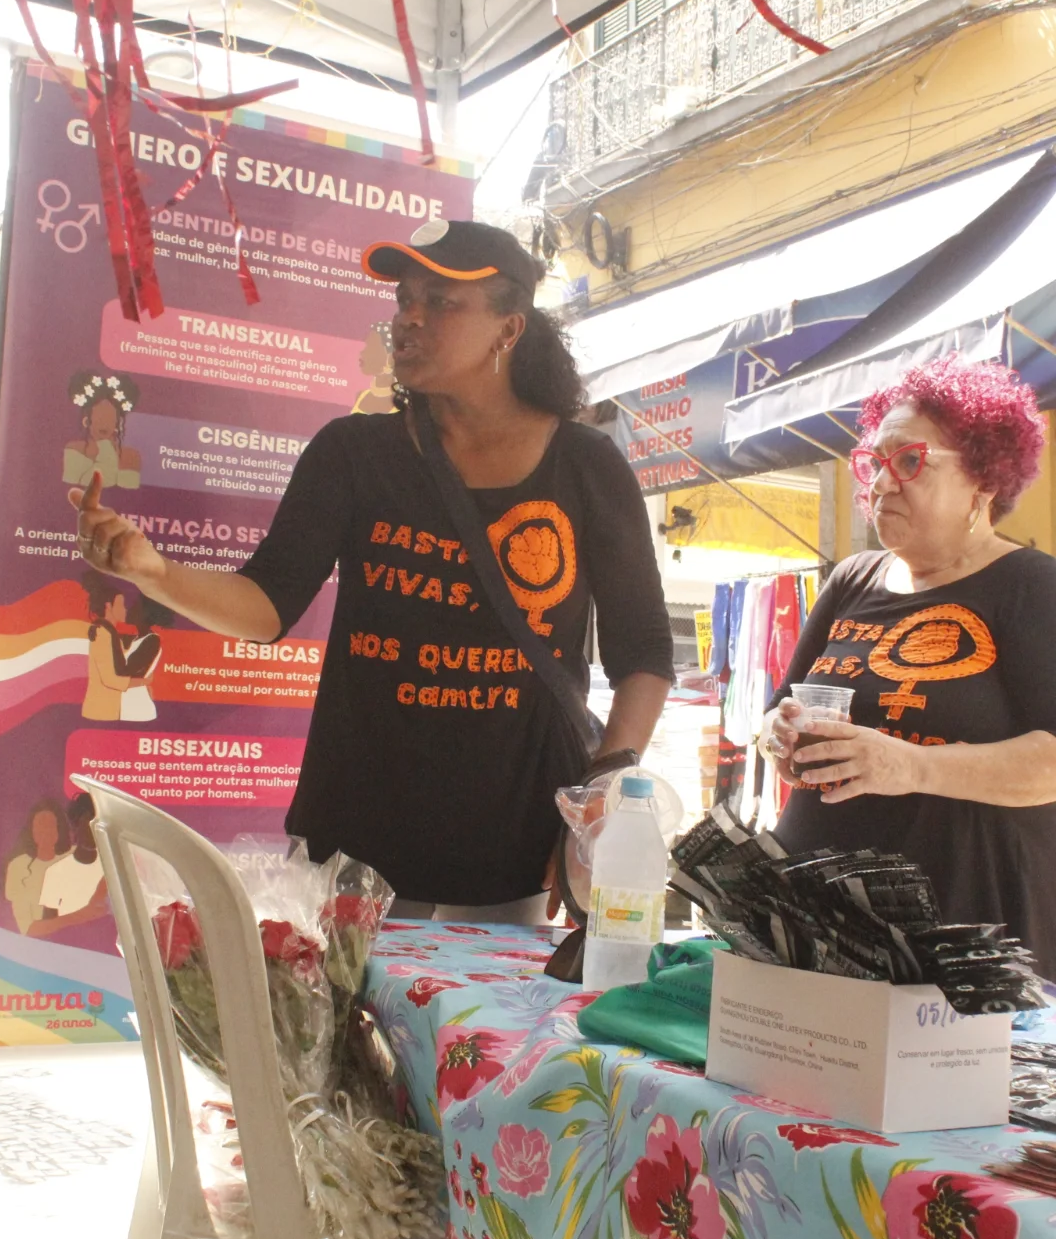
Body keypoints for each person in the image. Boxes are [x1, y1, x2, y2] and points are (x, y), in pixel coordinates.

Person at [67, 220, 675, 922]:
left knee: (479, 1034)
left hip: (516, 848)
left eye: (442, 301)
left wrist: (599, 797)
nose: (409, 318)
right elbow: (267, 605)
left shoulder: (588, 467)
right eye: (404, 299)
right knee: (345, 1030)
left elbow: (645, 655)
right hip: (354, 846)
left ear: (509, 330)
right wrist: (155, 573)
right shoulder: (353, 453)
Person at [759, 356, 1056, 975]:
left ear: (983, 478)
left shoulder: (1032, 586)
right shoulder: (850, 580)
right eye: (875, 463)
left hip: (954, 931)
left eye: (910, 461)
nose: (882, 483)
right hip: (814, 924)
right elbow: (776, 716)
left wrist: (907, 764)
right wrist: (777, 737)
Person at [29, 793, 109, 938]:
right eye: (88, 821)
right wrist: (81, 916)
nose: (93, 830)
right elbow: (45, 927)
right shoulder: (56, 873)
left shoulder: (114, 871)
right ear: (75, 824)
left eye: (98, 822)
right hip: (66, 950)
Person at [62, 370, 142, 490]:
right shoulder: (75, 450)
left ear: (117, 421)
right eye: (99, 416)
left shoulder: (131, 456)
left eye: (109, 416)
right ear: (88, 419)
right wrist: (104, 447)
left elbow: (128, 495)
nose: (104, 423)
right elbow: (77, 487)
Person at [2, 799, 71, 934]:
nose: (44, 831)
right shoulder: (18, 867)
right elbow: (28, 929)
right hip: (37, 945)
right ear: (31, 830)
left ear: (59, 830)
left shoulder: (73, 857)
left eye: (50, 826)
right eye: (39, 826)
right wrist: (78, 917)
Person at [80, 570, 133, 721]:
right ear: (108, 606)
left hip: (107, 710)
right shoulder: (103, 634)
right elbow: (110, 679)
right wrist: (142, 682)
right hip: (99, 713)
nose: (125, 609)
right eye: (121, 605)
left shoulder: (112, 635)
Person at [114, 594, 175, 722]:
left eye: (136, 607)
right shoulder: (134, 639)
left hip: (137, 707)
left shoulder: (152, 640)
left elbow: (126, 671)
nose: (130, 609)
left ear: (145, 615)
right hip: (124, 703)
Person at [353, 322, 396, 415]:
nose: (362, 352)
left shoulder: (404, 404)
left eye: (371, 347)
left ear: (390, 357)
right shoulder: (361, 396)